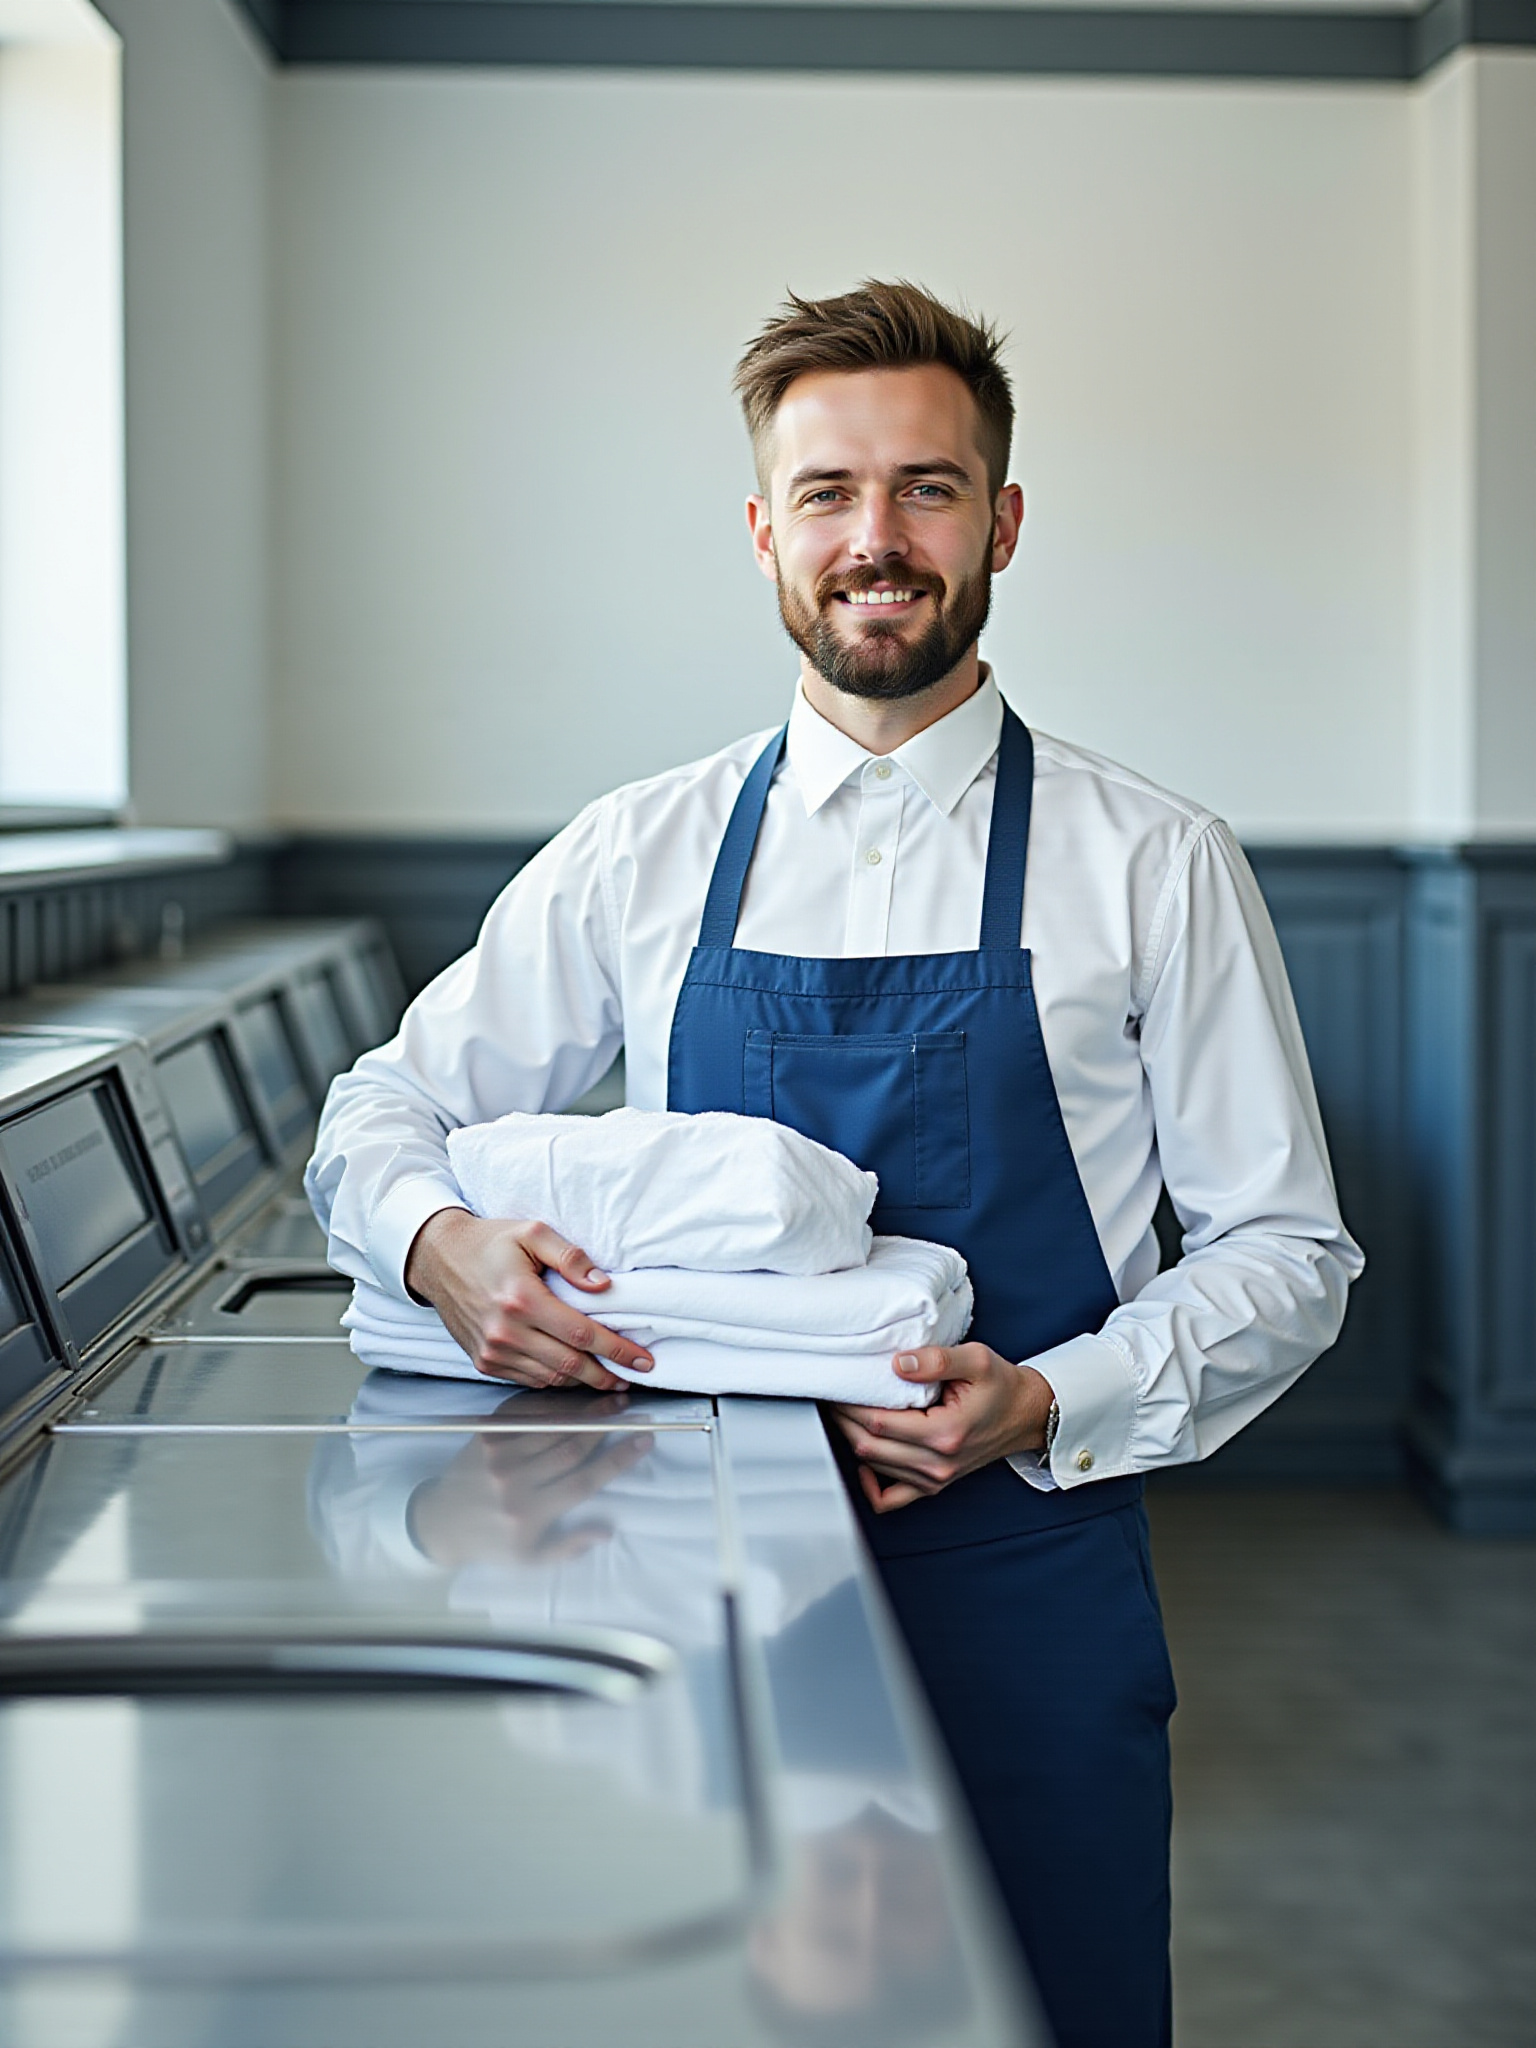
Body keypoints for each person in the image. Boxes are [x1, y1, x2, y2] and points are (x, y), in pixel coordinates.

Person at [307, 280, 1362, 2048]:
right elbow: (377, 1110)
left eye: (929, 489)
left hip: (1030, 1572)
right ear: (763, 532)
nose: (877, 539)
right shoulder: (633, 854)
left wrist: (1044, 1396)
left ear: (1003, 519)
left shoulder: (1154, 862)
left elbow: (1288, 1249)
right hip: (685, 1586)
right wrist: (442, 1250)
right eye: (828, 494)